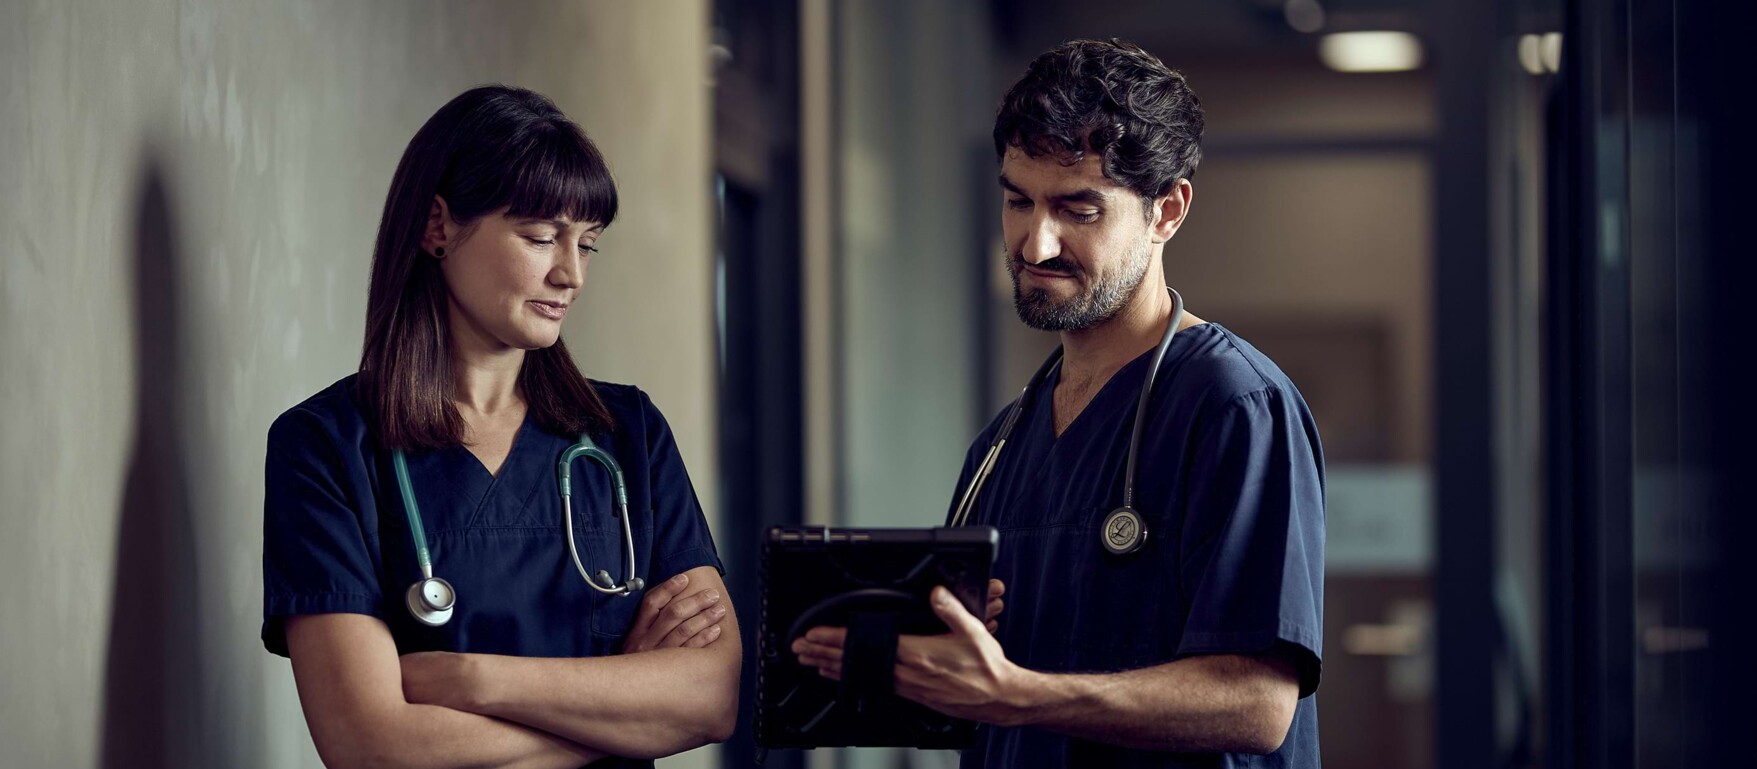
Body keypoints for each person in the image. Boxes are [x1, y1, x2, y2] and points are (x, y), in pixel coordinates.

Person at [793, 40, 1325, 768]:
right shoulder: (1001, 447)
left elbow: (1258, 702)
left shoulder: (1234, 405)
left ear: (1166, 210)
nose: (1035, 243)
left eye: (1078, 208)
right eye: (1018, 200)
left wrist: (1018, 693)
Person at [261, 85, 738, 768]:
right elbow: (371, 746)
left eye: (588, 244)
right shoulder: (327, 448)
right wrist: (618, 709)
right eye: (541, 236)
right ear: (438, 226)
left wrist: (471, 681)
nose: (570, 273)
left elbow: (713, 696)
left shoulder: (627, 433)